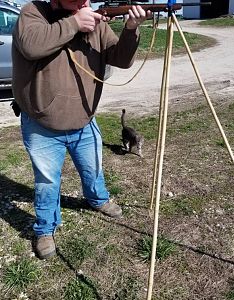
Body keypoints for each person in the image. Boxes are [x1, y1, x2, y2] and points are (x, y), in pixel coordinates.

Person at [12, 0, 151, 259]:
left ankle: (98, 199)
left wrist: (131, 28)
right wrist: (75, 23)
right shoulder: (34, 12)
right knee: (47, 182)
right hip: (42, 124)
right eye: (78, 1)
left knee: (93, 167)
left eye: (87, 0)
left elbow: (121, 58)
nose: (85, 3)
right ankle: (45, 229)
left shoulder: (94, 21)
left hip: (84, 120)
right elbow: (31, 46)